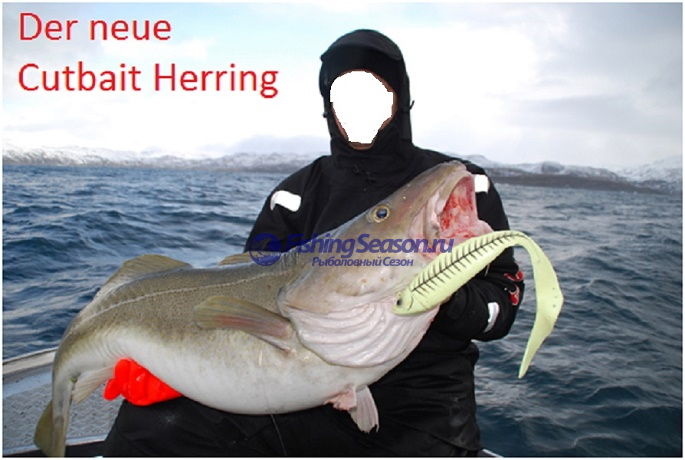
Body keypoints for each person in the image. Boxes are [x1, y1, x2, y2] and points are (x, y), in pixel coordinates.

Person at [102, 29, 524, 456]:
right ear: (328, 107)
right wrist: (178, 363)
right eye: (344, 96)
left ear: (401, 98)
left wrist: (444, 297)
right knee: (154, 427)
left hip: (426, 407)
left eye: (375, 93)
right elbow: (246, 293)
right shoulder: (295, 194)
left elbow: (502, 303)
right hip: (299, 391)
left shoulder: (453, 188)